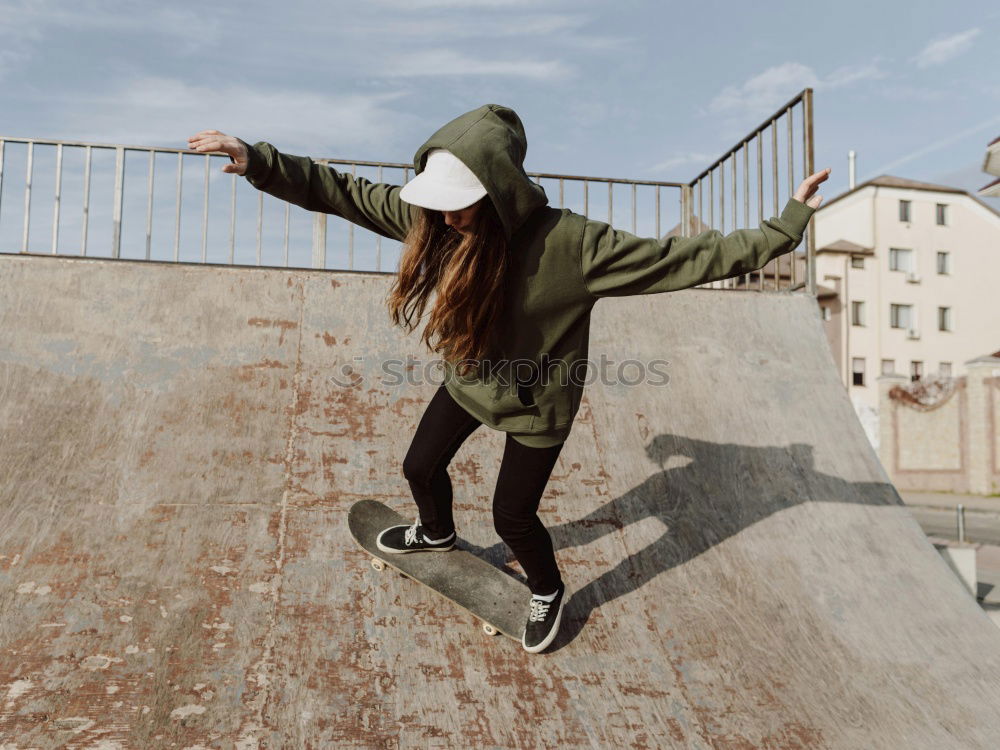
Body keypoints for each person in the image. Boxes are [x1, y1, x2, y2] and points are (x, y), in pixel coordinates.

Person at [187, 104, 827, 654]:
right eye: (434, 209)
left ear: (495, 192)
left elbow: (686, 258)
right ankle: (435, 530)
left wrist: (785, 225)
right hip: (470, 379)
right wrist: (259, 160)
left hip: (537, 404)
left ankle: (547, 588)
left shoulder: (576, 245)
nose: (441, 221)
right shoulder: (439, 225)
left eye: (456, 209)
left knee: (512, 519)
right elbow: (344, 192)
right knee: (419, 468)